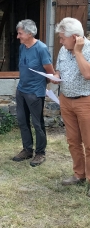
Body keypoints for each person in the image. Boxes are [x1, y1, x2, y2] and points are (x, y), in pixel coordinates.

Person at [52, 17, 90, 193]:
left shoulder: (88, 49)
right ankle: (79, 174)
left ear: (74, 37)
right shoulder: (63, 50)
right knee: (73, 140)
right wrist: (55, 77)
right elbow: (59, 69)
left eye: (62, 38)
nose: (60, 41)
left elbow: (87, 74)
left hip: (85, 101)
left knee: (89, 142)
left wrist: (78, 52)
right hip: (66, 99)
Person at [12, 19, 55, 167]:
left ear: (30, 33)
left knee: (37, 123)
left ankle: (40, 153)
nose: (18, 36)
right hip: (21, 90)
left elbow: (50, 72)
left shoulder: (41, 48)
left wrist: (41, 86)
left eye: (20, 33)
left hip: (35, 92)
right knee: (23, 121)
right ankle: (27, 149)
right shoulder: (22, 47)